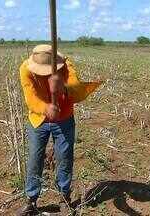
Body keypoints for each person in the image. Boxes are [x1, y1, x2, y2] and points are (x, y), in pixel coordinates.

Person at [17, 44, 101, 215]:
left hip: (64, 119)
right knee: (35, 158)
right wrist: (46, 108)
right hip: (38, 120)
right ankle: (31, 200)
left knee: (64, 157)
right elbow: (31, 98)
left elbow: (77, 90)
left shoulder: (66, 66)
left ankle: (64, 197)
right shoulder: (25, 69)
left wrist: (62, 87)